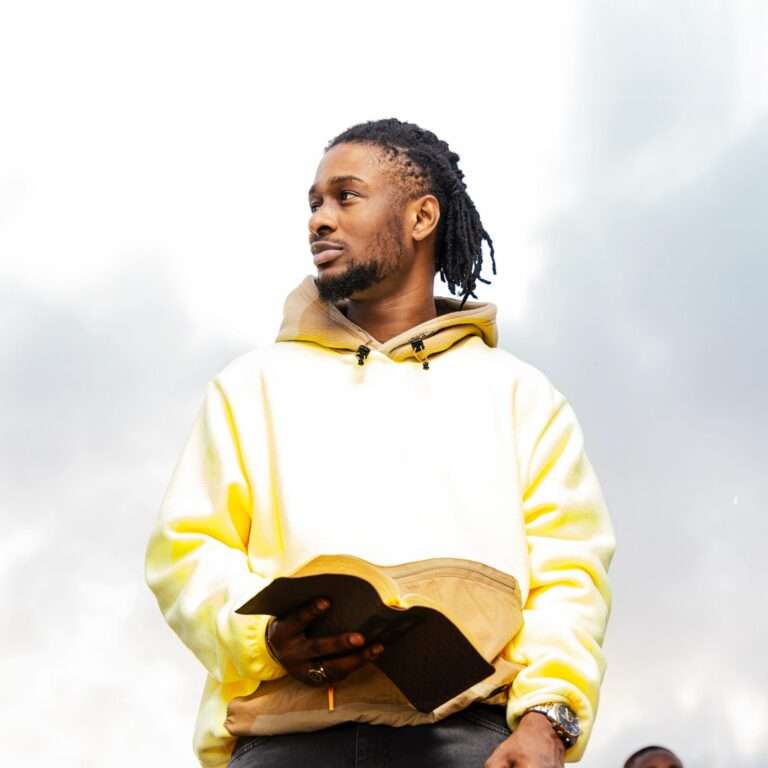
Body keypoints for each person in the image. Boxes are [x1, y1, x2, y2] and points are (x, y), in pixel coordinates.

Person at [144, 117, 616, 768]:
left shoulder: (523, 396)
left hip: (469, 740)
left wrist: (548, 719)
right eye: (314, 203)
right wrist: (266, 636)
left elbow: (570, 577)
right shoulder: (250, 386)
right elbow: (186, 553)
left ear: (421, 217)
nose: (320, 220)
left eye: (346, 196)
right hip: (282, 739)